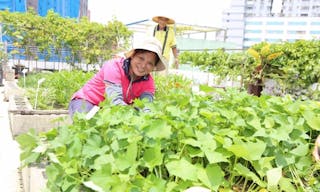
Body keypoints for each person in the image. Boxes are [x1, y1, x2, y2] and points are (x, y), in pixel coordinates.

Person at [68, 37, 167, 118]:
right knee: (85, 125)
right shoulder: (114, 66)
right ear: (132, 55)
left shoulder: (148, 82)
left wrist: (150, 118)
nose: (143, 65)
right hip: (88, 101)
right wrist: (132, 116)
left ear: (153, 67)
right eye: (141, 58)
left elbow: (146, 105)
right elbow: (114, 100)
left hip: (110, 109)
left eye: (150, 63)